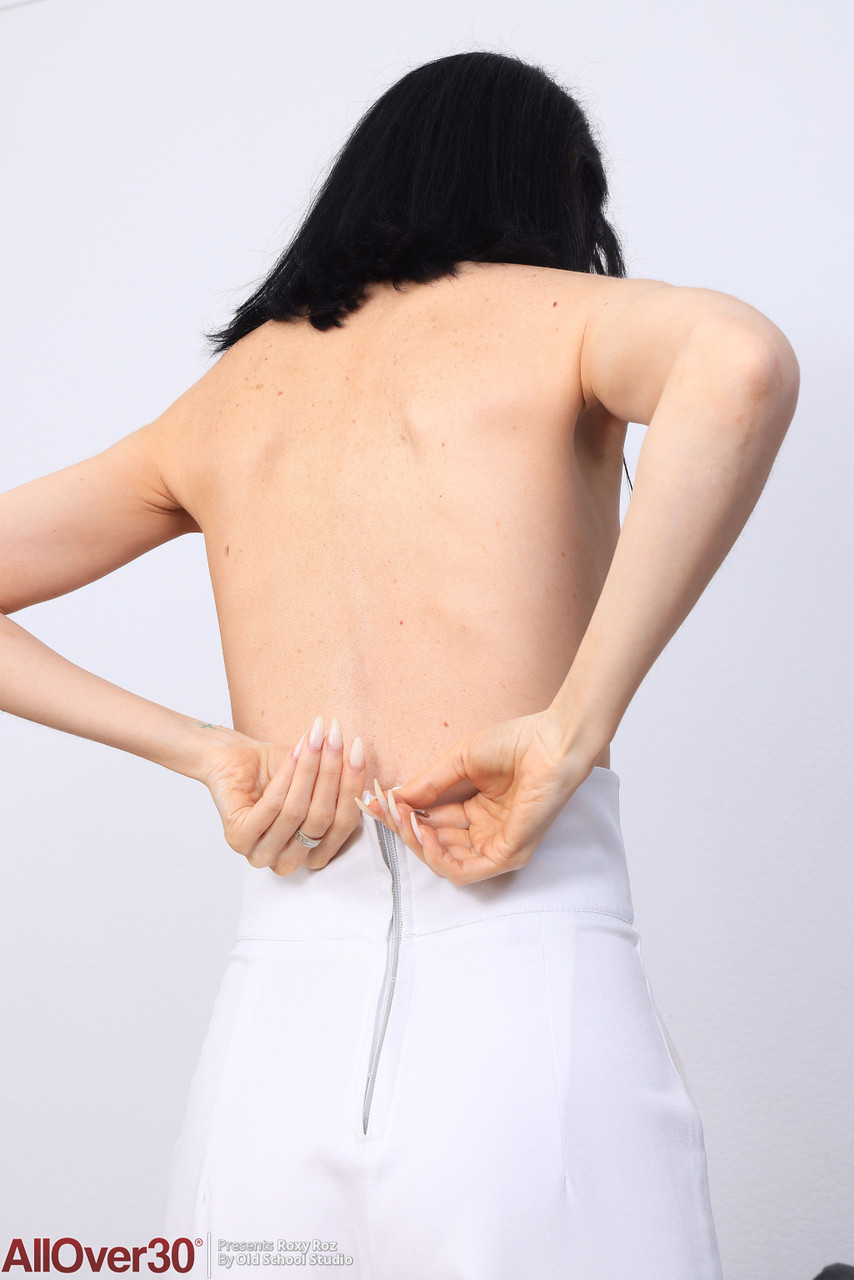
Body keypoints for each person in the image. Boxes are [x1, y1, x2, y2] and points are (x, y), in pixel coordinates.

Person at [0, 49, 798, 1280]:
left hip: (268, 1055)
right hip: (532, 1021)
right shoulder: (561, 319)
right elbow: (739, 364)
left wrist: (207, 752)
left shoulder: (225, 397)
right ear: (551, 193)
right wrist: (571, 724)